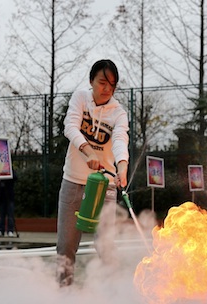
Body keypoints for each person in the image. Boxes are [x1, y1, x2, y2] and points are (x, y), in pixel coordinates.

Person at [56, 59, 129, 287]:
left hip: (105, 186)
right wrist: (88, 152)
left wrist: (122, 166)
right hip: (73, 181)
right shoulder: (80, 98)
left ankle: (111, 295)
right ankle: (63, 294)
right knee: (66, 245)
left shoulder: (118, 113)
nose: (107, 88)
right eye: (102, 82)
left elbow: (119, 140)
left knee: (105, 245)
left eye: (112, 85)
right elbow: (70, 126)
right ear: (91, 81)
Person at [0, 173, 16, 237]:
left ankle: (10, 230)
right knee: (1, 214)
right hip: (2, 196)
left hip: (9, 196)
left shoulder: (10, 170)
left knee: (10, 214)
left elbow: (15, 177)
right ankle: (1, 230)